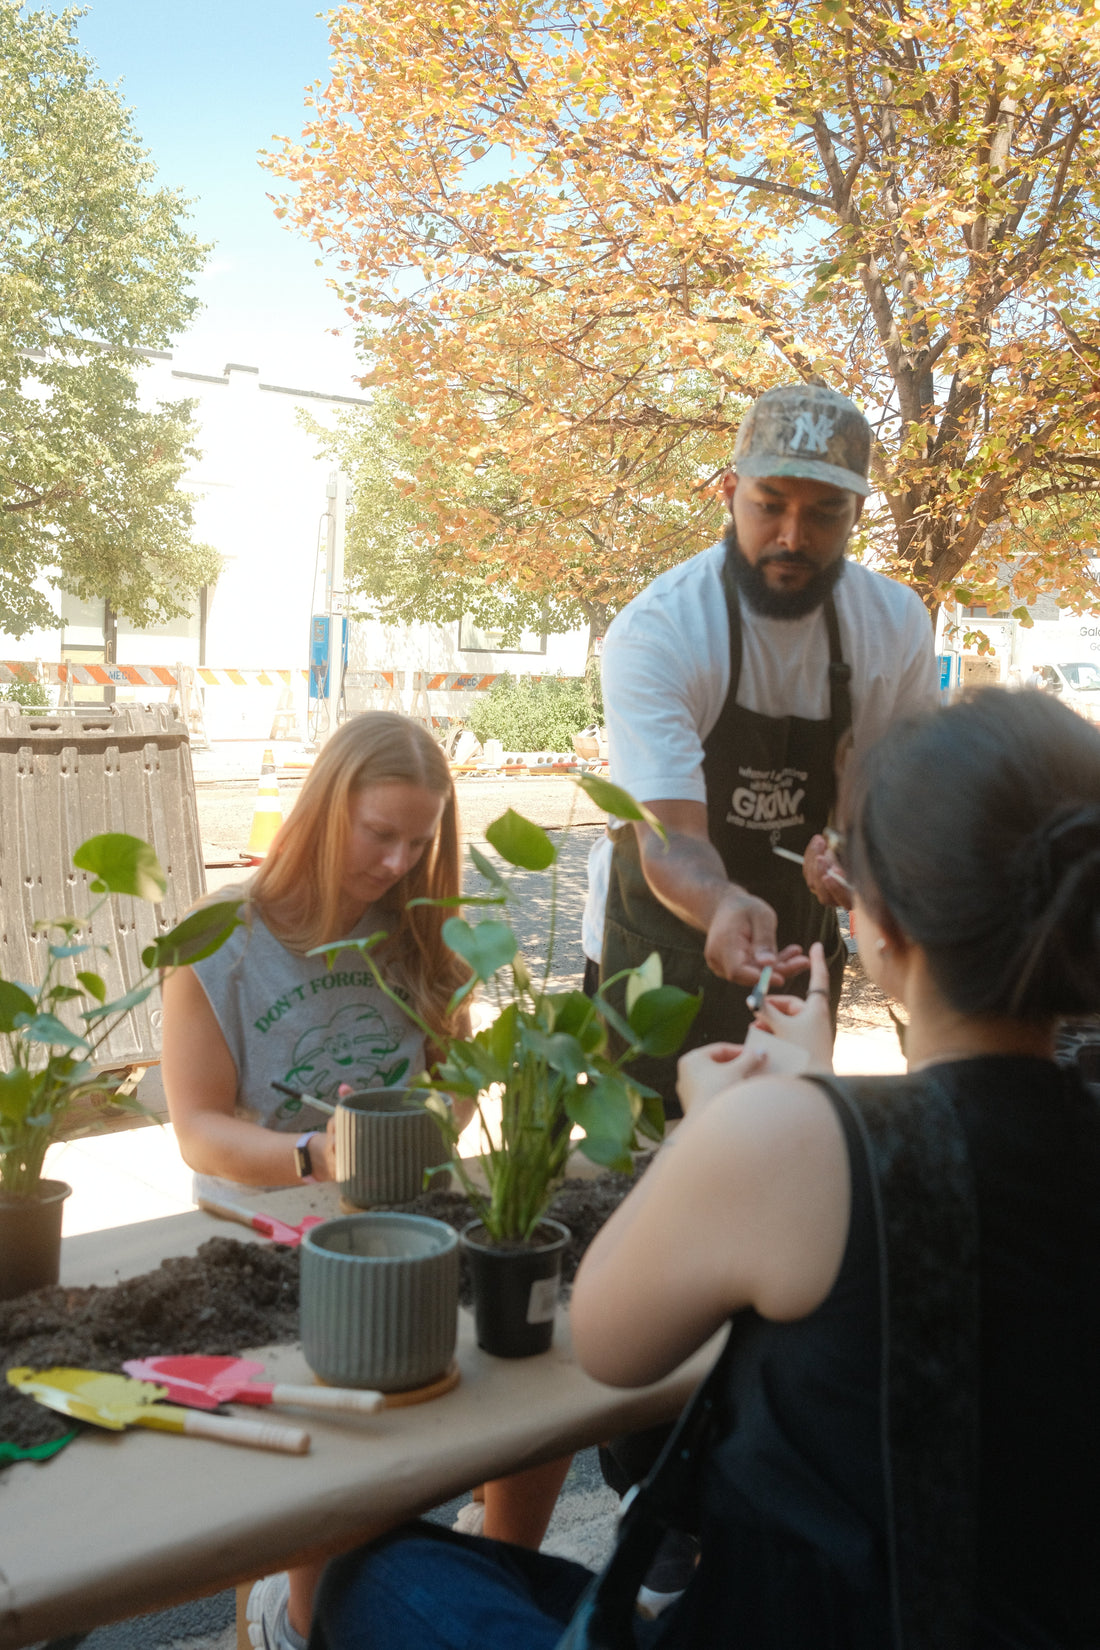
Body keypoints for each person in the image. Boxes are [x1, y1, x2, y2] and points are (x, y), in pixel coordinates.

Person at [304, 686, 1100, 1649]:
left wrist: (719, 1126)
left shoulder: (785, 1142)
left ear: (881, 923)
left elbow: (606, 1341)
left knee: (372, 1576)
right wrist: (806, 1090)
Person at [160, 711, 570, 1650]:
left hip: (406, 1219)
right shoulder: (217, 939)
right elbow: (199, 1130)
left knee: (541, 1380)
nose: (396, 862)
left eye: (418, 842)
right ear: (323, 809)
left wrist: (431, 1126)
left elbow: (456, 1083)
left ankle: (487, 1575)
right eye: (378, 833)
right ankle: (297, 1620)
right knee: (360, 1424)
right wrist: (317, 1157)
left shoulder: (426, 934)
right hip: (264, 1237)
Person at [596, 382, 939, 1114]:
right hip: (661, 934)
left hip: (798, 941)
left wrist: (852, 850)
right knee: (643, 1160)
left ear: (858, 512)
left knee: (788, 1145)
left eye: (824, 512)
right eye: (769, 503)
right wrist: (721, 903)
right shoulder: (660, 629)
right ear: (729, 492)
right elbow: (670, 837)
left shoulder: (895, 624)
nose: (792, 535)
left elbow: (889, 798)